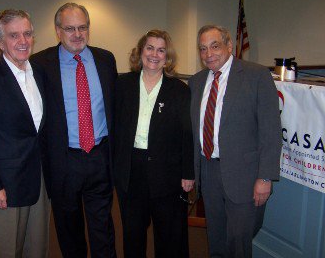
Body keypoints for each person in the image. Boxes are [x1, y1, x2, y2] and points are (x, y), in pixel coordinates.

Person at [30, 3, 117, 258]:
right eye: (70, 28)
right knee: (69, 229)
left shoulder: (105, 59)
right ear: (58, 30)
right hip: (64, 160)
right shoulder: (40, 64)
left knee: (103, 226)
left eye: (82, 27)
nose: (77, 34)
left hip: (100, 155)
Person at [188, 25, 281, 258]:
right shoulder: (197, 81)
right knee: (216, 238)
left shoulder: (257, 75)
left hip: (245, 176)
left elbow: (270, 131)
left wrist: (265, 176)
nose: (208, 53)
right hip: (208, 171)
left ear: (229, 46)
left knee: (239, 242)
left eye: (215, 46)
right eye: (203, 48)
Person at [0, 9, 50, 258]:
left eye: (27, 34)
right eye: (14, 35)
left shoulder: (41, 74)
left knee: (37, 248)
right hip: (6, 185)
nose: (22, 41)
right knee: (8, 251)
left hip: (40, 180)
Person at [114, 29, 194, 258]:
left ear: (167, 57)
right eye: (150, 48)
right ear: (140, 52)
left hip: (167, 173)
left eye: (161, 50)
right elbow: (113, 126)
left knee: (169, 237)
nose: (154, 54)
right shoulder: (122, 84)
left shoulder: (179, 90)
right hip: (131, 171)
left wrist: (188, 173)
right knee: (132, 235)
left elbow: (187, 134)